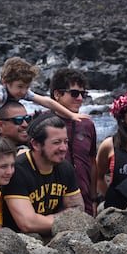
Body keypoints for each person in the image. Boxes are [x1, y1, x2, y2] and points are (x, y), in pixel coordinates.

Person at [0, 56, 89, 145]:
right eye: (20, 86)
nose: (23, 91)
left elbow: (47, 102)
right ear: (5, 82)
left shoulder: (20, 90)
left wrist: (72, 115)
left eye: (27, 87)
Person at [2, 113, 85, 236]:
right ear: (35, 144)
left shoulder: (65, 168)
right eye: (56, 142)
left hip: (53, 236)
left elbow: (78, 209)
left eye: (65, 142)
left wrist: (49, 221)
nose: (63, 148)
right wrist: (65, 220)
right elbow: (27, 223)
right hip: (17, 240)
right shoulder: (17, 170)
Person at [49, 68, 98, 217]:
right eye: (75, 93)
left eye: (83, 94)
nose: (80, 99)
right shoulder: (42, 123)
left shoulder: (87, 124)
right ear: (57, 94)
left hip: (84, 202)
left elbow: (91, 162)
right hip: (52, 204)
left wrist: (94, 198)